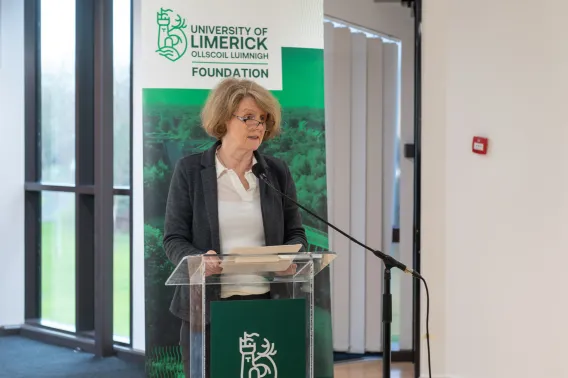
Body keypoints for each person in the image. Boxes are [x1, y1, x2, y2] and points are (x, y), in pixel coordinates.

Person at [162, 77, 308, 377]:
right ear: (223, 119)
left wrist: (291, 258)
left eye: (263, 119)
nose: (258, 126)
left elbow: (296, 233)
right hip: (209, 310)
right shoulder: (191, 171)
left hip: (267, 304)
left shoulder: (275, 172)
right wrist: (198, 261)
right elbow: (174, 239)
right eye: (248, 117)